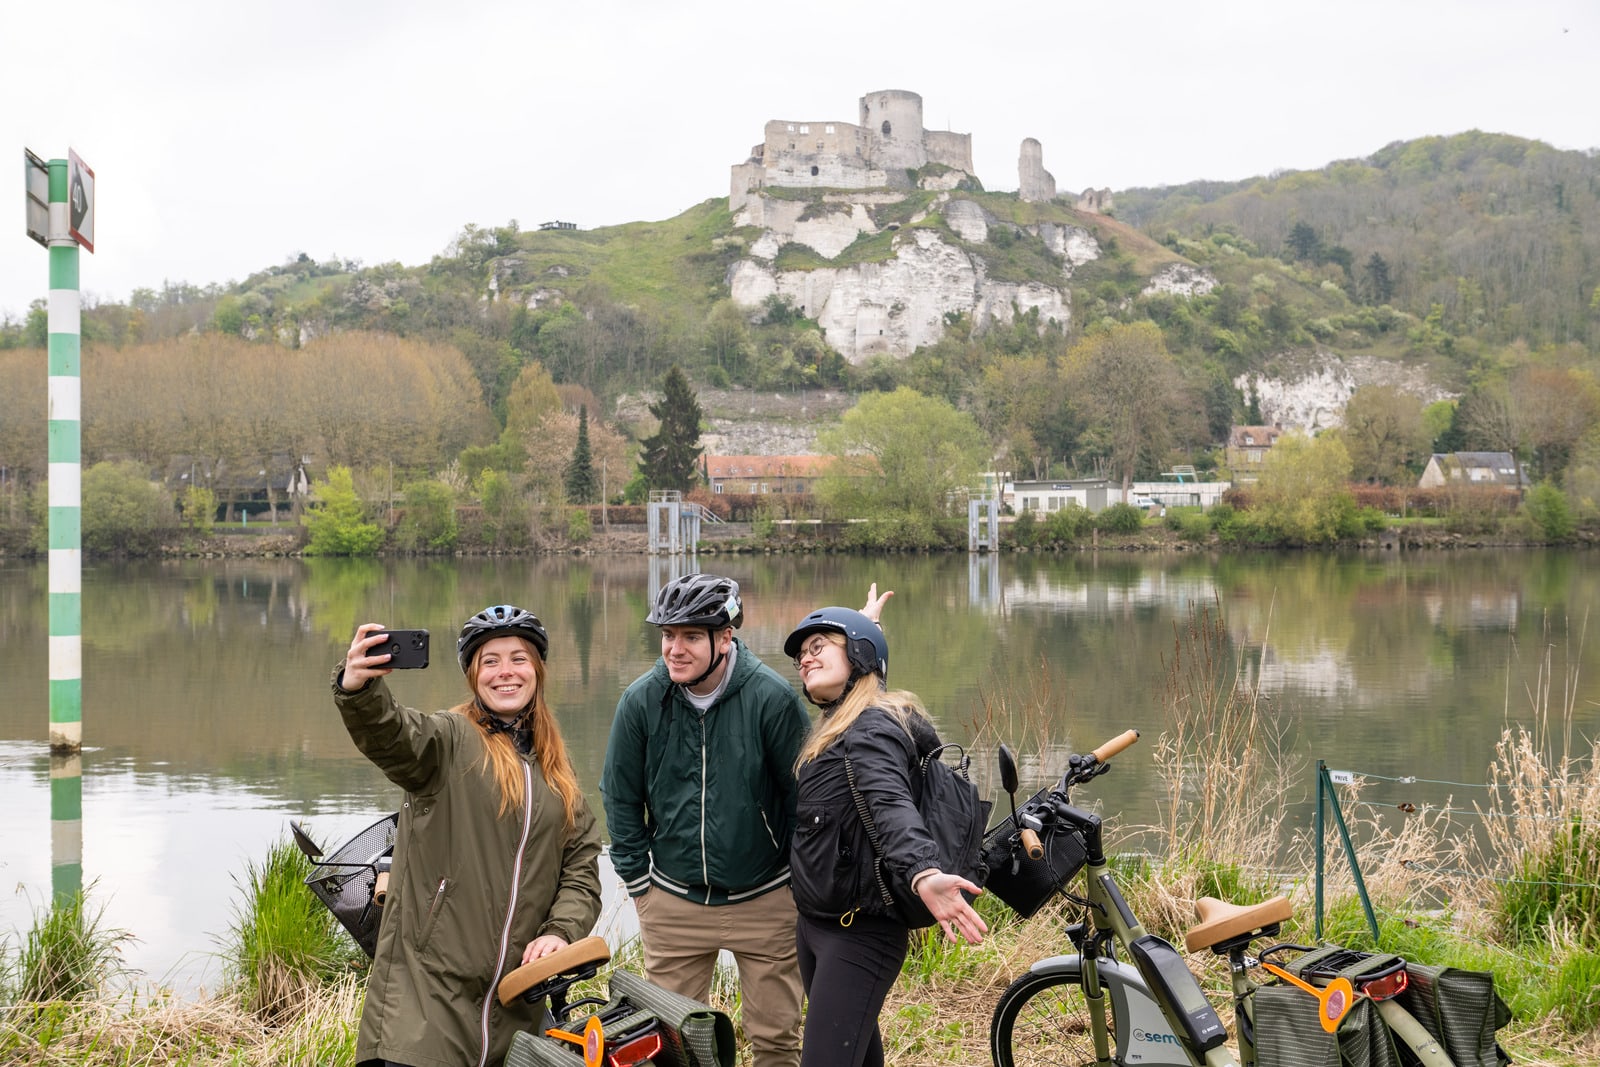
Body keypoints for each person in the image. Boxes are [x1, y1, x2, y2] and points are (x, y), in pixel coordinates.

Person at [334, 605, 603, 1067]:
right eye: (490, 661)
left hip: (517, 1002)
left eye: (518, 658)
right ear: (473, 674)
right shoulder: (448, 739)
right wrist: (358, 688)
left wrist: (561, 931)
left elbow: (581, 867)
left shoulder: (557, 769)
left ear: (537, 670)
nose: (506, 673)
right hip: (424, 1007)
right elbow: (392, 735)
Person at [600, 573, 810, 1067]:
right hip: (673, 901)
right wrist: (637, 882)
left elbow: (805, 802)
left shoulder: (772, 698)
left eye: (691, 636)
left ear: (725, 638)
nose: (675, 648)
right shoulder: (641, 701)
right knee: (675, 1046)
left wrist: (799, 884)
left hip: (766, 898)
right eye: (668, 635)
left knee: (777, 1041)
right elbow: (619, 796)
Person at [782, 591, 988, 1067]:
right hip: (817, 925)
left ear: (857, 655)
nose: (804, 658)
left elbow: (889, 803)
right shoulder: (842, 720)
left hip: (858, 935)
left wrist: (923, 873)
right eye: (801, 653)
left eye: (819, 646)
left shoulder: (872, 727)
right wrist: (863, 625)